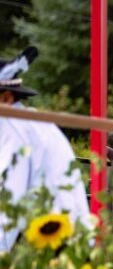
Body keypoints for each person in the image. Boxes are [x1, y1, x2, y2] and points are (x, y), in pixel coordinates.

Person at [0, 47, 92, 251]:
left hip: (54, 245)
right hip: (65, 243)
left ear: (6, 98)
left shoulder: (14, 130)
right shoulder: (28, 124)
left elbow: (9, 208)